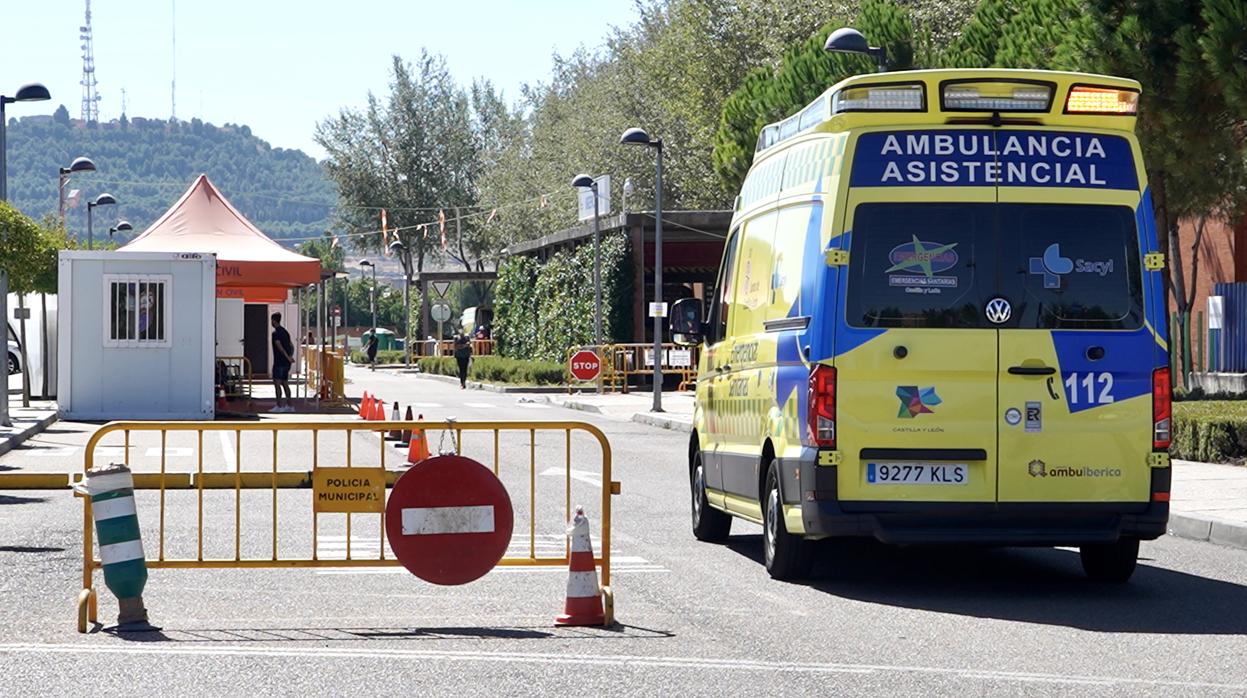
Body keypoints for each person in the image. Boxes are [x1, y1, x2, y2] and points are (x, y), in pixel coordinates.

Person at [270, 312, 295, 412]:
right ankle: (290, 405)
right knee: (285, 383)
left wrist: (286, 356)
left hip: (279, 362)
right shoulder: (285, 332)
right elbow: (291, 346)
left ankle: (279, 406)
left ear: (273, 321)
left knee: (277, 383)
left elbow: (279, 346)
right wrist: (290, 357)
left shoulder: (275, 334)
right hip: (286, 363)